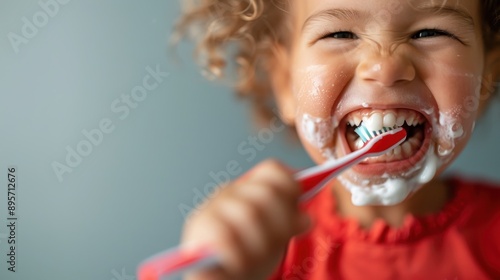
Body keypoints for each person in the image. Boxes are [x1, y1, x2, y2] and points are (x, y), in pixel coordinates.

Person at [175, 0, 500, 279]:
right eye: (340, 34)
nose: (385, 67)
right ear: (285, 81)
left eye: (429, 33)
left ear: (486, 79)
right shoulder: (261, 249)